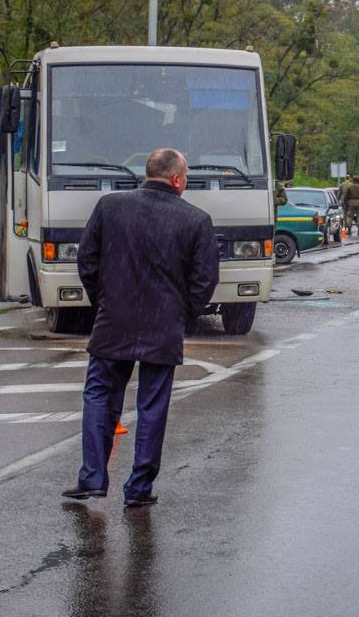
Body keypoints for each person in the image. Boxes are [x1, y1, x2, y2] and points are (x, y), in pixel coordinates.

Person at [62, 149, 219, 507]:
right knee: (152, 406)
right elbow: (205, 280)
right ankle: (139, 487)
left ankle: (92, 477)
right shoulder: (196, 220)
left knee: (99, 396)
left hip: (112, 321)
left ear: (148, 173)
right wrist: (182, 314)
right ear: (178, 179)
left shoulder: (109, 206)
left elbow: (86, 260)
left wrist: (102, 301)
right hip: (163, 326)